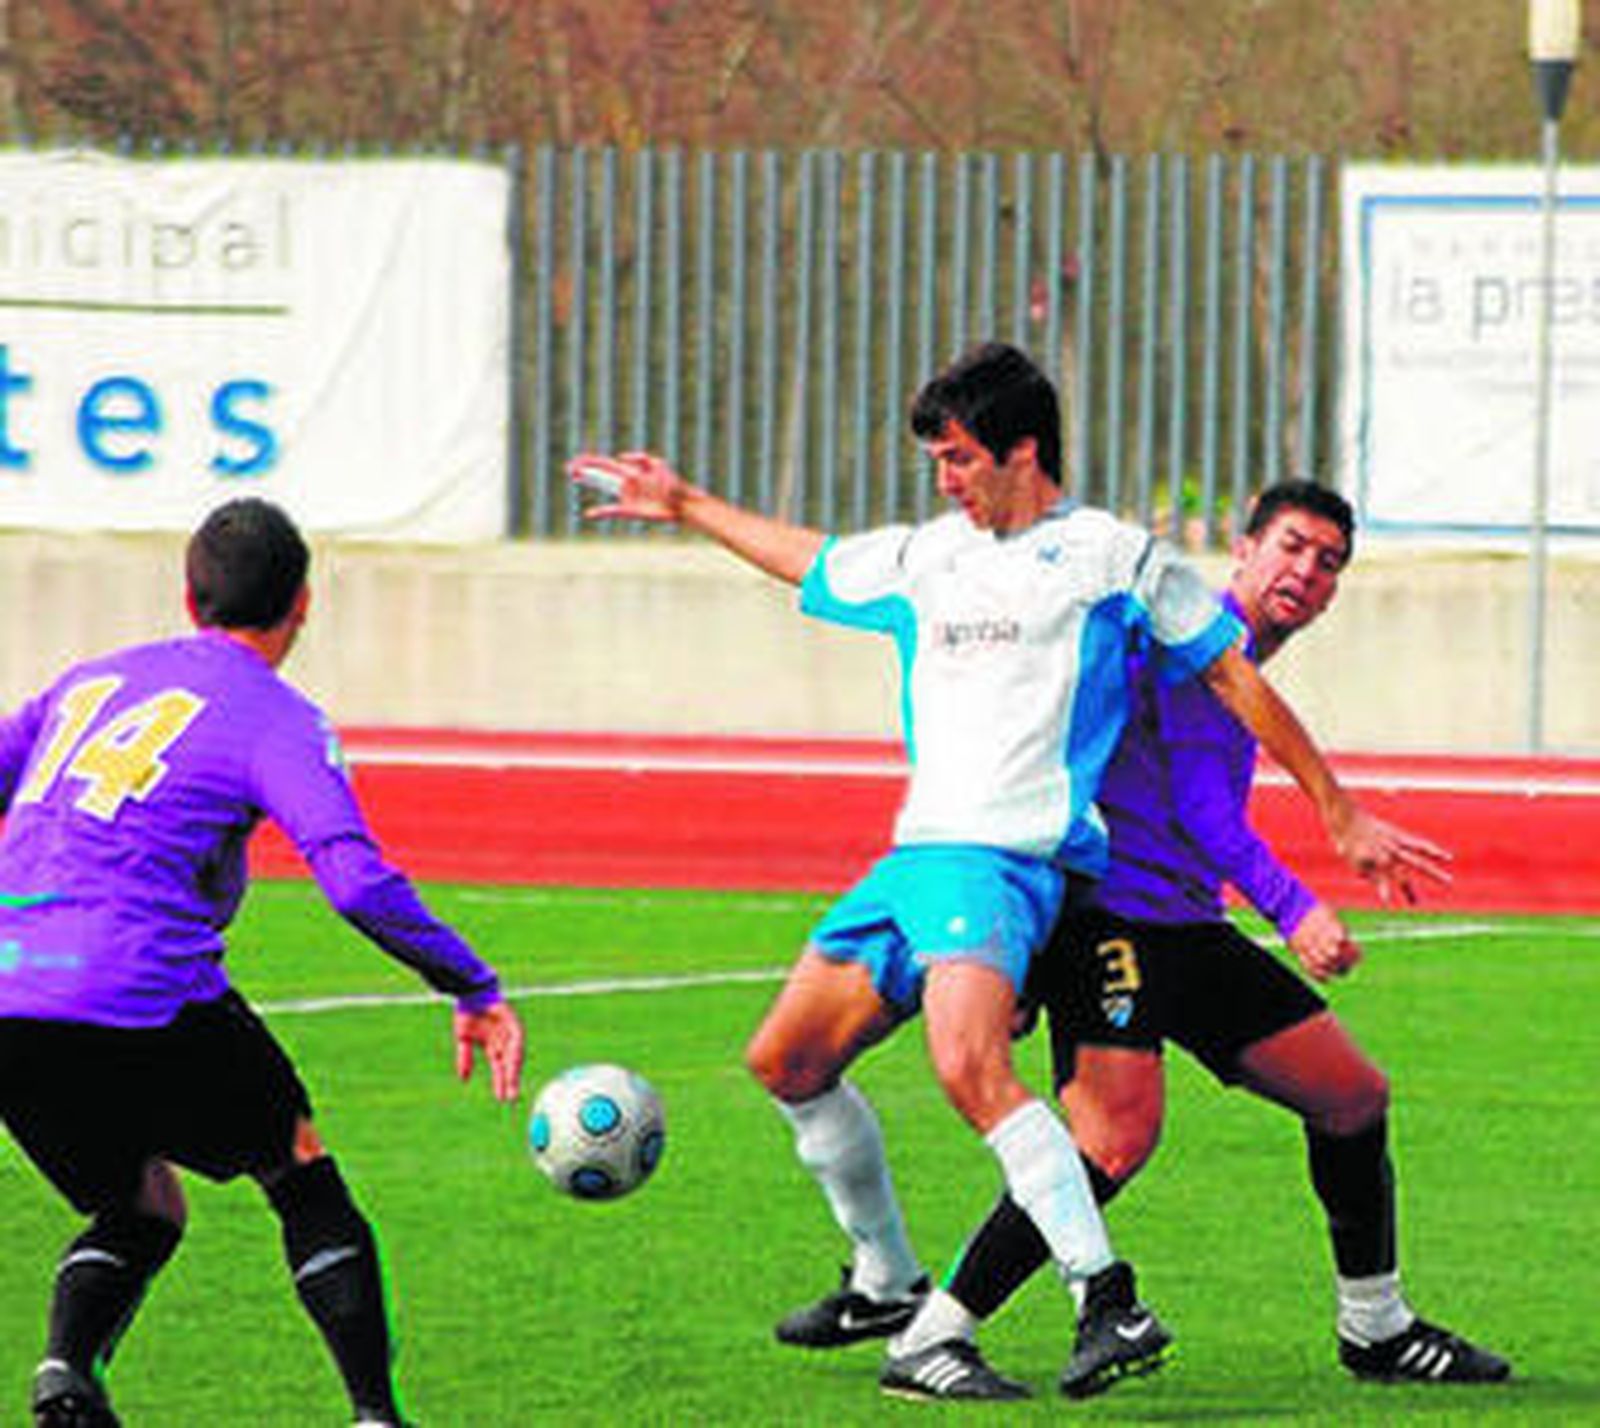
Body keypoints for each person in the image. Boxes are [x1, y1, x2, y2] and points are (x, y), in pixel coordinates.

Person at [571, 344, 1449, 1402]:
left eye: (956, 457)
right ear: (1254, 546)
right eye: (1290, 550)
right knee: (789, 1061)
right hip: (956, 871)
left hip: (1038, 875)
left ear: (1021, 452)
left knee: (1242, 1100)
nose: (943, 478)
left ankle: (1157, 1304)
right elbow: (814, 559)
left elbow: (1222, 697)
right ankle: (897, 1287)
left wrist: (1332, 817)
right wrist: (687, 502)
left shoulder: (1114, 562)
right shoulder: (928, 555)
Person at [888, 479, 1508, 1396]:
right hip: (1113, 923)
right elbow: (1206, 813)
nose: (1308, 571)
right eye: (1293, 547)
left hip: (1182, 924)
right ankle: (933, 1335)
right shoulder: (1193, 643)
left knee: (1350, 1096)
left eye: (1330, 562)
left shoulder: (1232, 656)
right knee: (1111, 1142)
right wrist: (1298, 910)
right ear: (1246, 550)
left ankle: (1376, 1327)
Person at [0, 497, 526, 1428]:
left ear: (189, 596)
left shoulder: (90, 683)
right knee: (298, 1167)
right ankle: (375, 1418)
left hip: (9, 995)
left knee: (143, 1207)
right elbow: (357, 884)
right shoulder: (274, 716)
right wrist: (471, 983)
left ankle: (65, 1377)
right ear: (304, 605)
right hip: (140, 987)